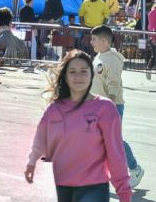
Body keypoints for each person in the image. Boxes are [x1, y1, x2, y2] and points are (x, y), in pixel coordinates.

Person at [24, 51, 134, 202]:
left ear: (92, 74)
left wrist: (124, 191)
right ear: (65, 76)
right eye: (72, 72)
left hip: (94, 187)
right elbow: (41, 137)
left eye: (84, 71)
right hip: (62, 185)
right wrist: (31, 161)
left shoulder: (105, 108)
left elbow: (116, 153)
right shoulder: (54, 109)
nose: (78, 77)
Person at [85, 26, 143, 187]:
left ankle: (135, 169)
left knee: (114, 141)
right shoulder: (99, 56)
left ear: (104, 41)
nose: (91, 42)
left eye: (94, 39)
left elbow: (114, 85)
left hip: (111, 107)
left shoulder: (111, 60)